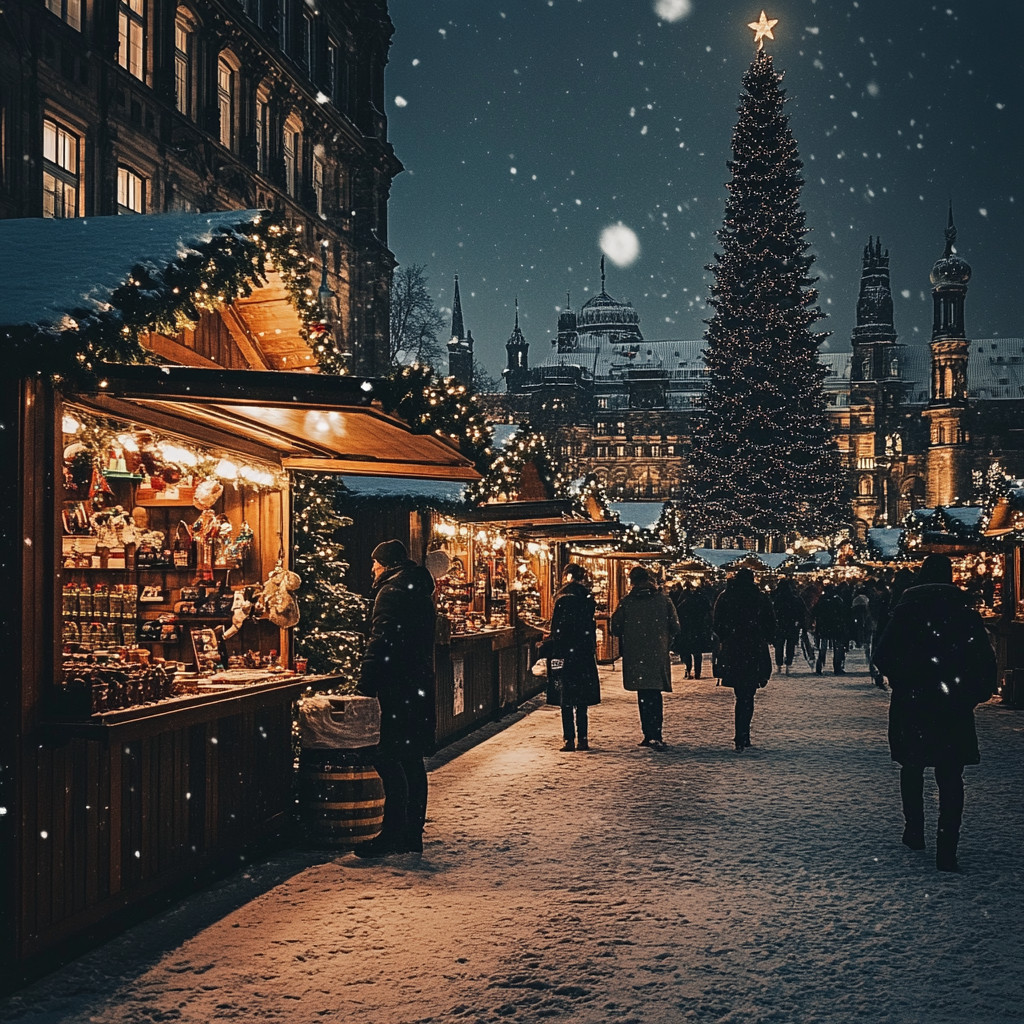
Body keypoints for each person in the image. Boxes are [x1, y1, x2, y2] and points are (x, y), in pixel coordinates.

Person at [873, 554, 997, 872]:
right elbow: (984, 660)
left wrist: (904, 679)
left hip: (913, 702)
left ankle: (914, 829)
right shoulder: (963, 614)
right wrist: (970, 693)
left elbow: (883, 654)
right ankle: (947, 848)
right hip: (951, 704)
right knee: (950, 775)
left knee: (912, 766)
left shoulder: (905, 611)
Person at [354, 539, 437, 857]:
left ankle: (393, 834)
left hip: (397, 685)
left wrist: (366, 683)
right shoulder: (419, 590)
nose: (372, 568)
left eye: (375, 563)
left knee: (388, 758)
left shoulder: (391, 591)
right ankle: (410, 834)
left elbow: (381, 640)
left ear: (386, 564)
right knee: (411, 761)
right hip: (417, 682)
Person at [610, 566, 680, 751]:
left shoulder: (627, 602)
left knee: (643, 694)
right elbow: (676, 626)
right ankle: (656, 733)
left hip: (636, 654)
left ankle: (648, 733)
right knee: (654, 694)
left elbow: (615, 627)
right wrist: (664, 639)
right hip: (656, 653)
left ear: (632, 582)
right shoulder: (663, 601)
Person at [713, 568, 777, 751]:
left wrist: (727, 635)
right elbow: (770, 623)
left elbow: (717, 622)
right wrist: (764, 636)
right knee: (748, 694)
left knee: (740, 692)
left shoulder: (725, 597)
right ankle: (743, 733)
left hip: (734, 648)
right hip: (753, 648)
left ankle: (741, 733)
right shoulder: (760, 598)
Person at [544, 563, 601, 751]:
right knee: (582, 699)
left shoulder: (561, 598)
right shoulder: (587, 598)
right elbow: (589, 625)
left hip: (565, 651)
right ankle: (583, 738)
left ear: (567, 576)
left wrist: (554, 643)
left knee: (565, 697)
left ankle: (569, 738)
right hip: (583, 652)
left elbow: (556, 628)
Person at [675, 583, 714, 679]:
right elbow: (709, 612)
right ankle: (697, 672)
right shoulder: (703, 599)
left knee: (688, 651)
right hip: (699, 628)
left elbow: (679, 612)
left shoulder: (685, 601)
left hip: (688, 628)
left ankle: (688, 670)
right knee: (697, 652)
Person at [812, 584, 852, 675]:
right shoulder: (837, 600)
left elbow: (815, 612)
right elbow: (843, 613)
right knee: (837, 648)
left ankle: (820, 666)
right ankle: (837, 668)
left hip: (824, 626)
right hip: (836, 626)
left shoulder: (822, 600)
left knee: (823, 647)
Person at [771, 578, 805, 674]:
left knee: (779, 646)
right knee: (790, 646)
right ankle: (788, 665)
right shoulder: (794, 597)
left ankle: (779, 666)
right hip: (791, 624)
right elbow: (801, 610)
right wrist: (799, 621)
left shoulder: (776, 597)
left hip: (780, 624)